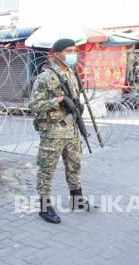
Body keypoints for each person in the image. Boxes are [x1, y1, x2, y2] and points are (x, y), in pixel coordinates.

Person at [29, 38, 90, 224]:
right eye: (68, 51)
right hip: (53, 131)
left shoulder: (71, 73)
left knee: (74, 165)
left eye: (74, 50)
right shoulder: (45, 77)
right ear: (56, 54)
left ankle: (76, 199)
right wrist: (59, 100)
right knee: (47, 170)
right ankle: (44, 207)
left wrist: (77, 106)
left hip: (71, 129)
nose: (73, 54)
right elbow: (34, 105)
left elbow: (75, 98)